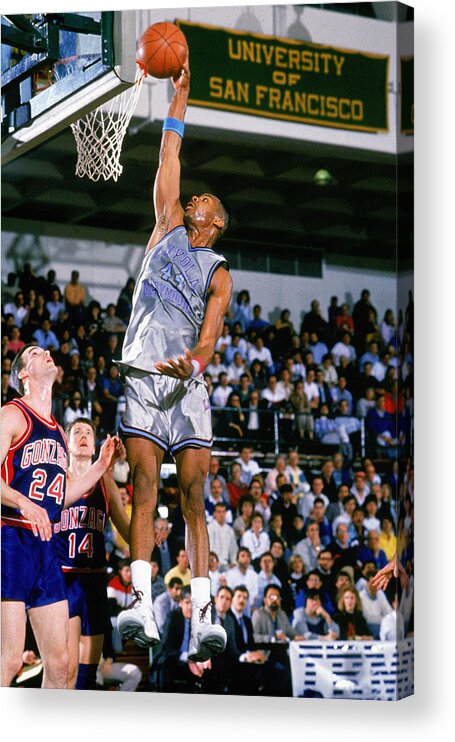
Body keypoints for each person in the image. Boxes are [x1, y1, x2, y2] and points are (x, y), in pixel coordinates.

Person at [115, 57, 231, 662]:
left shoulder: (219, 272)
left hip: (186, 385)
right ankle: (139, 601)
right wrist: (179, 98)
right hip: (142, 373)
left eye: (202, 203)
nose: (192, 199)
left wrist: (197, 364)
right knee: (143, 484)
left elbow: (210, 337)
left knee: (193, 496)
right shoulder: (165, 224)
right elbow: (168, 157)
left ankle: (204, 615)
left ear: (211, 223)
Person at [1, 344, 117, 688]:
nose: (46, 353)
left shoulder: (56, 431)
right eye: (35, 353)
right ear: (24, 374)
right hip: (12, 539)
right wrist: (24, 503)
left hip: (46, 547)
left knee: (60, 663)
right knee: (8, 661)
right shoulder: (12, 415)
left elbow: (59, 497)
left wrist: (99, 467)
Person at [52, 417, 130, 690]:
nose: (83, 436)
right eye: (77, 433)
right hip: (65, 579)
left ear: (96, 444)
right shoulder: (58, 478)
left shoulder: (107, 484)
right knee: (67, 670)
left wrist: (150, 527)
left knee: (87, 675)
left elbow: (128, 533)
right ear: (68, 444)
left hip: (95, 582)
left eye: (89, 432)